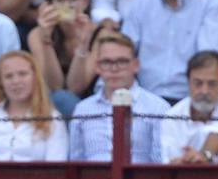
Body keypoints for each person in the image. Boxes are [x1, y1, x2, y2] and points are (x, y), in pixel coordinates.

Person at [67, 31, 169, 163]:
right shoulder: (83, 109)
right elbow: (76, 162)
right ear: (97, 67)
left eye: (122, 61)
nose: (114, 68)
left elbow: (160, 163)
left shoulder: (157, 107)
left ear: (135, 65)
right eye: (107, 62)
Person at [0, 49, 67, 161]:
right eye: (8, 76)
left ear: (35, 78)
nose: (16, 81)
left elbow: (57, 168)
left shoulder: (53, 119)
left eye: (22, 74)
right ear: (1, 83)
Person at [161, 49, 218, 165]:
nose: (204, 91)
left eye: (212, 84)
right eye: (198, 83)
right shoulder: (172, 115)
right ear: (188, 82)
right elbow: (170, 162)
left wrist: (204, 156)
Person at [26, 0, 95, 114]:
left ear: (85, 2)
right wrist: (46, 40)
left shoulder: (98, 34)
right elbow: (53, 86)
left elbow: (76, 87)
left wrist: (83, 45)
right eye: (60, 0)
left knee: (65, 100)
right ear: (49, 4)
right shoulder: (37, 34)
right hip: (53, 103)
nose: (67, 5)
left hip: (92, 102)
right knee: (61, 98)